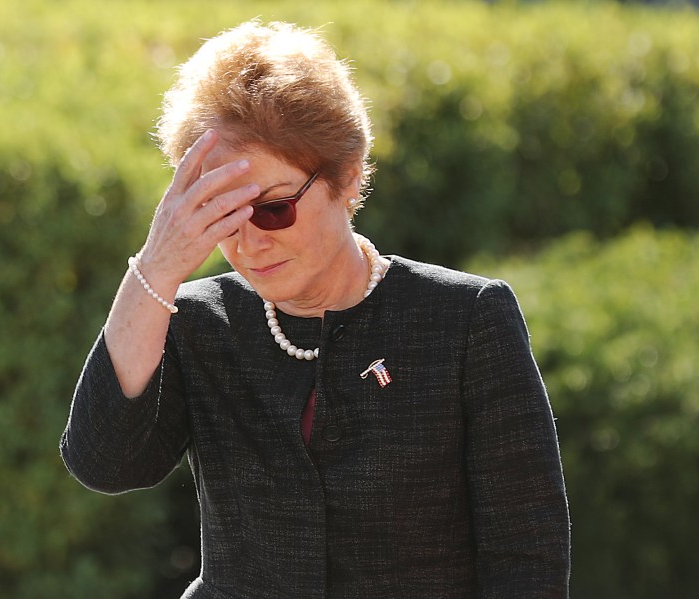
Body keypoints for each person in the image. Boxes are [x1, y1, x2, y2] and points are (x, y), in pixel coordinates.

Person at [60, 20, 570, 599]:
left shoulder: (468, 319)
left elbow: (526, 558)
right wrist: (156, 265)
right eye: (221, 214)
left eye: (273, 208)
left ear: (347, 179)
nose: (250, 242)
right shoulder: (197, 321)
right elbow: (105, 462)